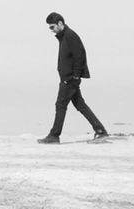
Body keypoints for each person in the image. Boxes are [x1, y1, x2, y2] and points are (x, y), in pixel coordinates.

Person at [38, 12, 108, 144]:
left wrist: (75, 76)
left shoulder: (70, 36)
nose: (51, 30)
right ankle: (100, 130)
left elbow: (80, 56)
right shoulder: (64, 37)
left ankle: (54, 135)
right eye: (49, 28)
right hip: (67, 78)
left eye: (52, 27)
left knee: (60, 105)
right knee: (80, 105)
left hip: (70, 79)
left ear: (60, 23)